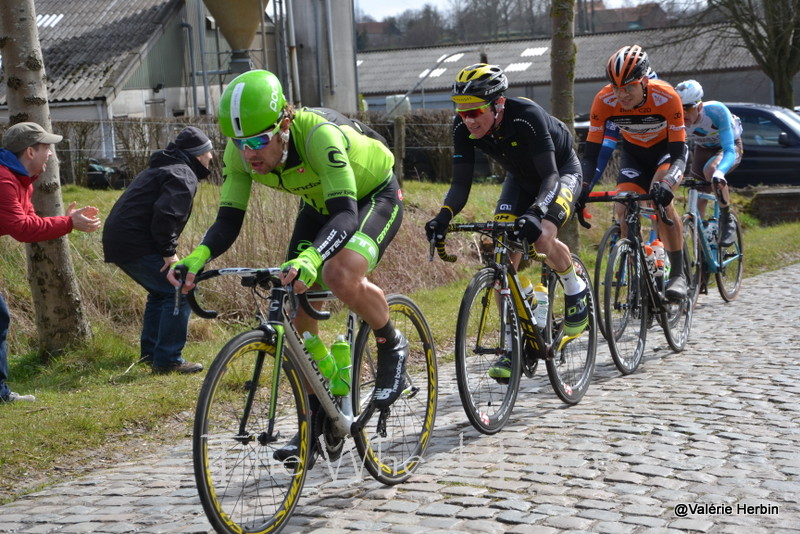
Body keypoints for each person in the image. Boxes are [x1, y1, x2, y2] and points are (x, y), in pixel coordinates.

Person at [166, 70, 407, 462]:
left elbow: (345, 215)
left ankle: (390, 341)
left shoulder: (318, 137)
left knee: (337, 273)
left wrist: (313, 256)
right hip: (318, 204)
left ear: (285, 124)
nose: (249, 153)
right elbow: (228, 220)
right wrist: (198, 256)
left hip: (371, 196)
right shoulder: (241, 154)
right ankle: (316, 421)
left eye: (259, 140)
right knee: (291, 293)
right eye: (239, 143)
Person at [425, 63, 588, 381]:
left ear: (497, 105)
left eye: (475, 112)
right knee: (504, 251)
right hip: (520, 180)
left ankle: (574, 286)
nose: (468, 120)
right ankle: (515, 343)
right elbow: (460, 185)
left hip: (561, 174)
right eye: (462, 113)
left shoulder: (526, 115)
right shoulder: (462, 130)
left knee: (542, 237)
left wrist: (536, 213)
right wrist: (442, 217)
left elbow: (551, 175)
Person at [0, 122, 101, 403]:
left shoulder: (20, 181)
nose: (52, 155)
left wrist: (65, 221)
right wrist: (68, 223)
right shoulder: (4, 180)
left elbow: (29, 221)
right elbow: (22, 229)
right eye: (47, 148)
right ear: (30, 151)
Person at [578, 45, 689, 300]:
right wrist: (582, 188)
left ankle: (678, 275)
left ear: (645, 81)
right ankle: (638, 272)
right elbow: (591, 156)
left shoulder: (666, 96)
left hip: (666, 154)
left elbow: (679, 155)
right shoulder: (603, 100)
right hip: (634, 154)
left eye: (629, 87)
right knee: (623, 205)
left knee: (661, 200)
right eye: (616, 88)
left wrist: (669, 184)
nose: (622, 95)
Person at [103, 127, 214, 374]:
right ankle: (168, 360)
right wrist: (169, 252)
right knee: (179, 288)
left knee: (160, 291)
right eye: (209, 152)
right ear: (197, 155)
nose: (211, 157)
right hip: (135, 242)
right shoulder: (182, 174)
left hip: (121, 240)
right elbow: (165, 216)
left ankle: (152, 354)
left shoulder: (165, 167)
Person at [675, 79, 743, 247]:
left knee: (711, 170)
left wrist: (719, 173)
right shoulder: (674, 117)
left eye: (688, 108)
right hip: (703, 149)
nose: (683, 114)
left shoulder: (716, 111)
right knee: (696, 204)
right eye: (679, 109)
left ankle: (727, 219)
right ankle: (702, 249)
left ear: (699, 106)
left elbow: (728, 149)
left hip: (729, 147)